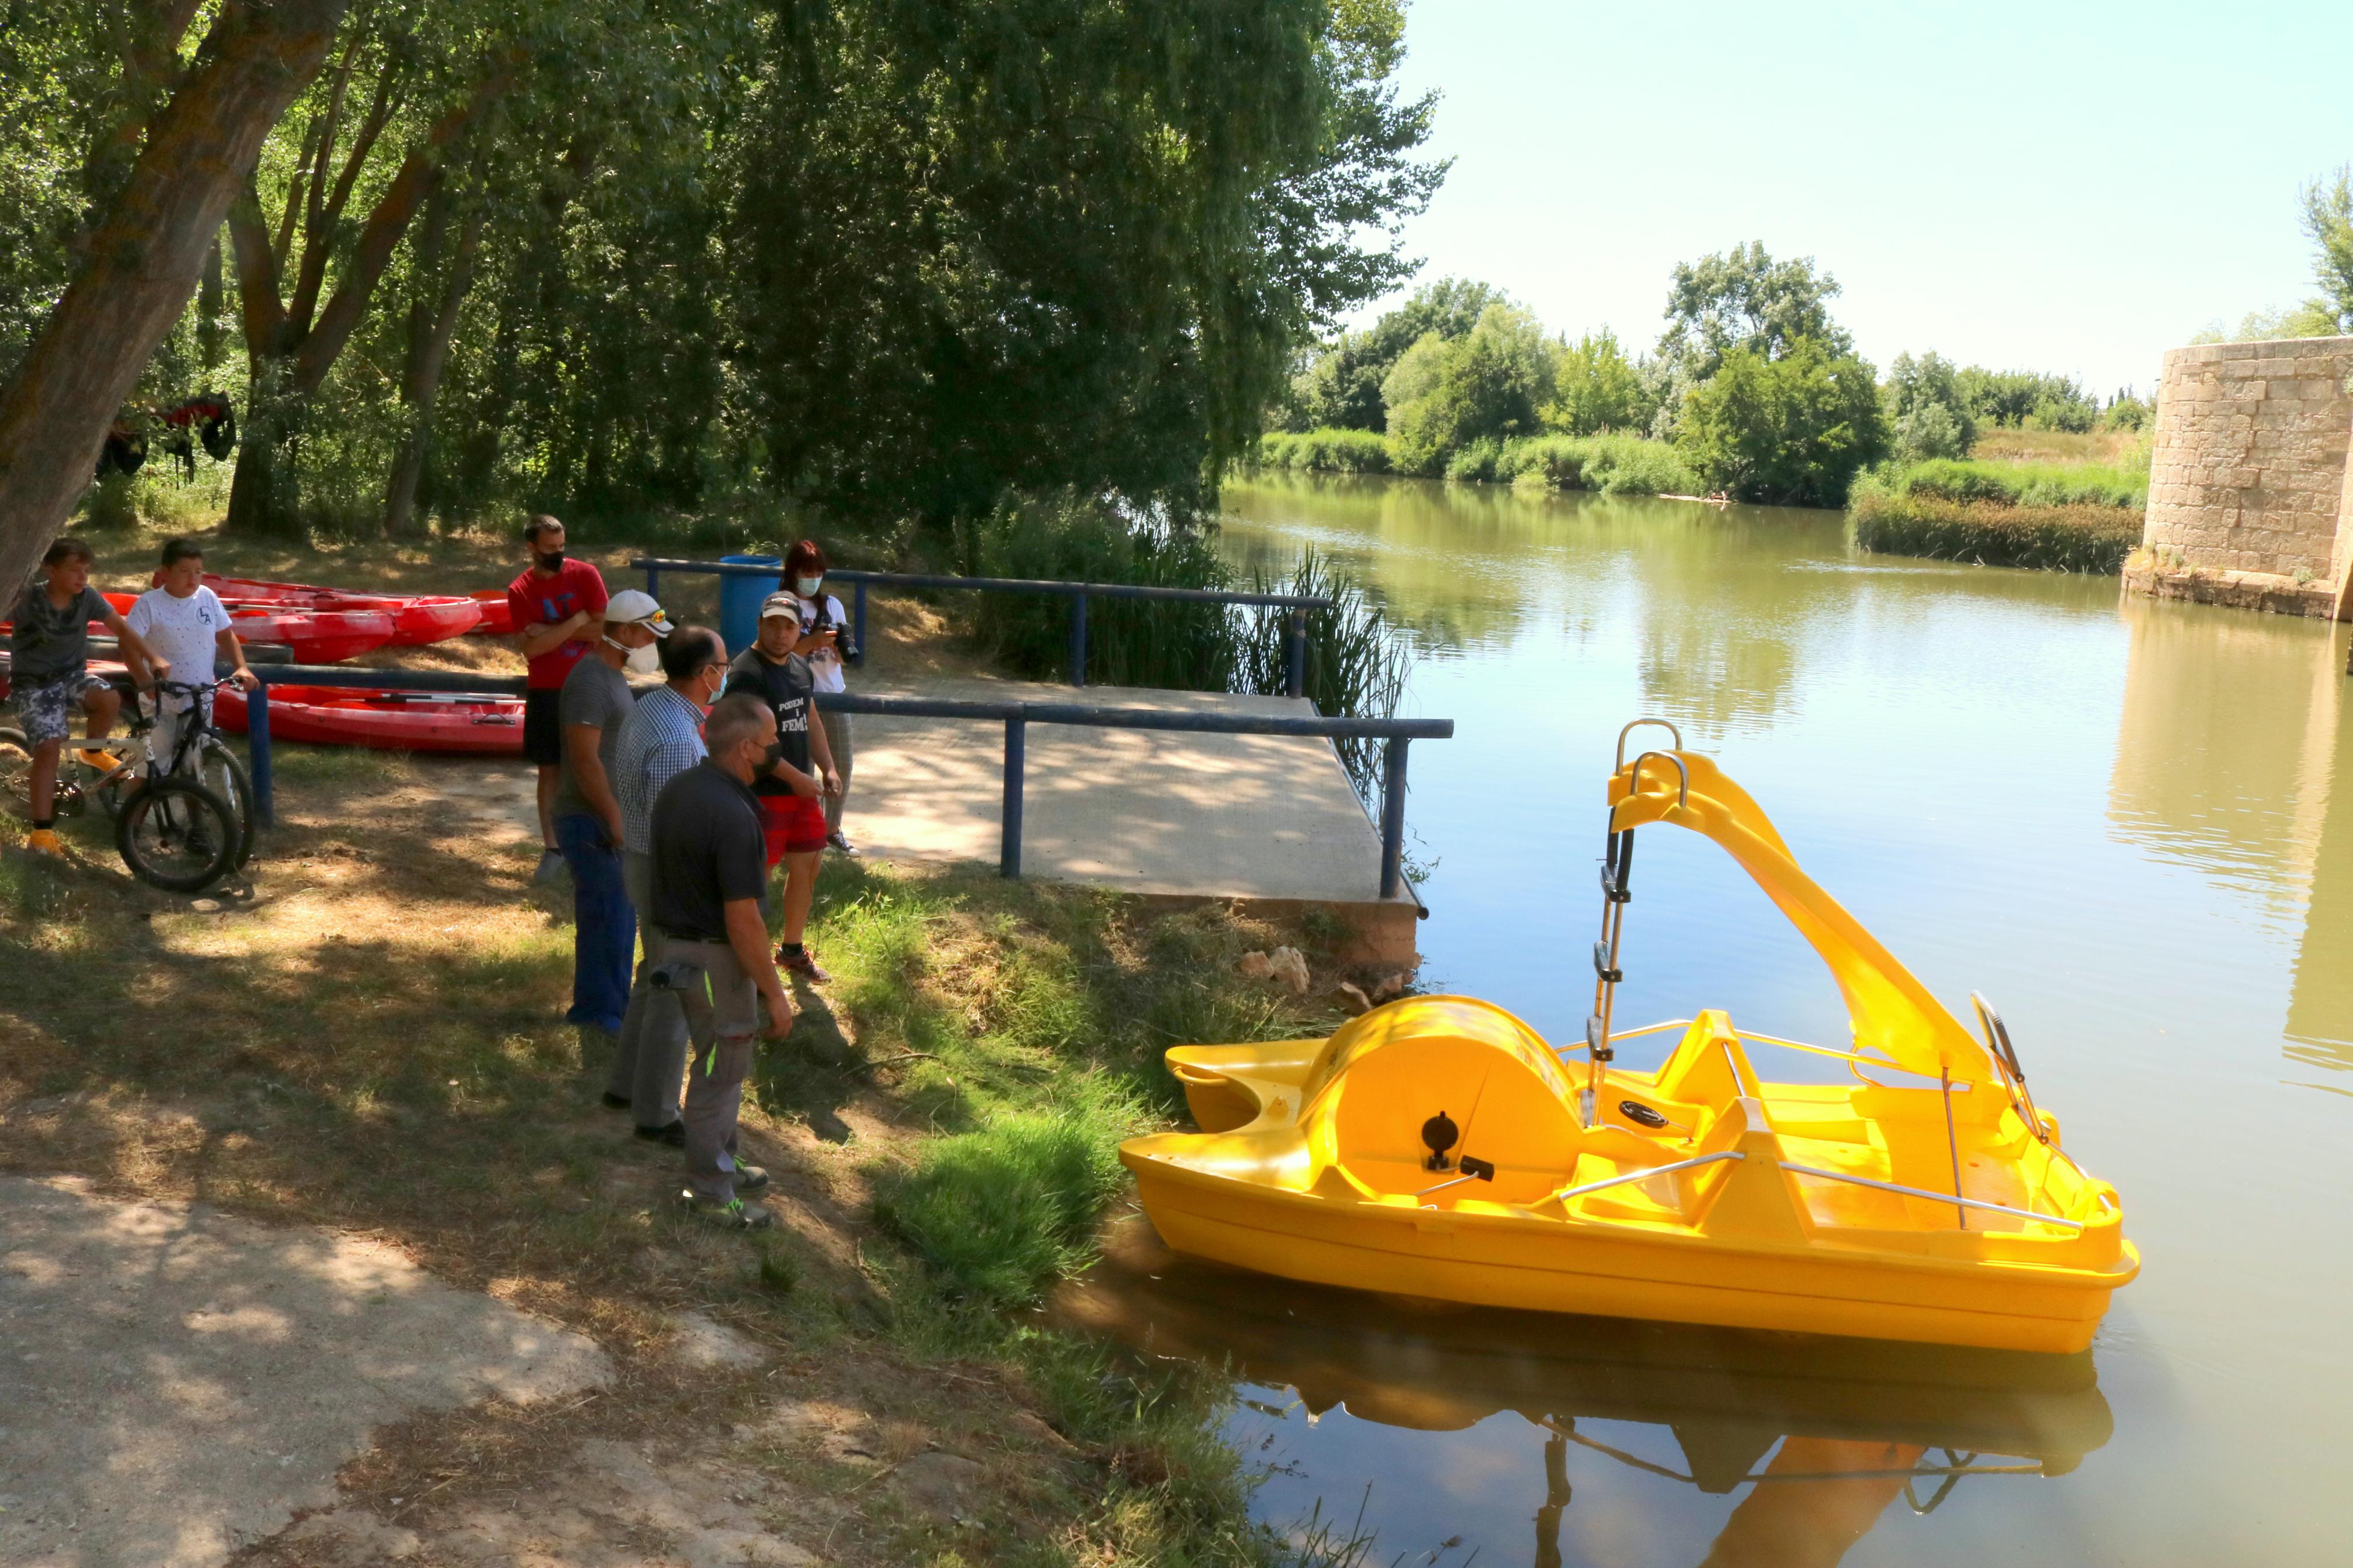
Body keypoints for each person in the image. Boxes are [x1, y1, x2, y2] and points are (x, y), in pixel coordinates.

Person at [649, 692, 794, 1231]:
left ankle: (721, 1163)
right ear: (744, 749)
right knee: (719, 1071)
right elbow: (744, 921)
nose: (776, 748)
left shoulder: (682, 787)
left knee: (718, 1065)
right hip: (714, 962)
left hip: (678, 949)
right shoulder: (734, 815)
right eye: (770, 740)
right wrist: (775, 994)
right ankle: (710, 1193)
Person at [603, 625, 729, 1142]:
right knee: (675, 988)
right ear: (705, 674)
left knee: (651, 975)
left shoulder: (653, 707)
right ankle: (655, 1114)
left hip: (642, 862)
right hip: (665, 873)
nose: (726, 673)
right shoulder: (678, 740)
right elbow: (672, 828)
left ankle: (625, 1086)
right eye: (723, 665)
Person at [551, 588, 672, 1051]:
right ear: (622, 632)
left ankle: (610, 1011)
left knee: (619, 918)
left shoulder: (612, 675)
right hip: (589, 821)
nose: (651, 642)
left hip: (605, 818)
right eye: (647, 632)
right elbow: (584, 761)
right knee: (605, 917)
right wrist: (614, 817)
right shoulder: (589, 680)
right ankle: (595, 1016)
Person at [6, 538, 169, 858]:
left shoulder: (88, 598)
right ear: (49, 570)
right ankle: (41, 833)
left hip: (71, 677)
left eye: (86, 571)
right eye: (74, 571)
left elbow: (123, 630)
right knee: (49, 748)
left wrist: (154, 657)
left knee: (108, 699)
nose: (82, 578)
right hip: (33, 684)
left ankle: (92, 751)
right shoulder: (28, 599)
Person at [723, 593, 839, 983]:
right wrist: (799, 779)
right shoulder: (745, 673)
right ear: (759, 624)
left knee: (808, 865)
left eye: (788, 626)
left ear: (799, 630)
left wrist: (828, 768)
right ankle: (745, 963)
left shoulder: (800, 667)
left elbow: (811, 718)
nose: (780, 633)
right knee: (757, 878)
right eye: (772, 624)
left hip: (801, 791)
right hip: (762, 794)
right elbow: (752, 744)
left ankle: (791, 950)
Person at [505, 515, 606, 883]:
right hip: (547, 688)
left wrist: (553, 631)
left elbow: (605, 630)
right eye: (550, 549)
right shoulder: (520, 590)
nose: (558, 555)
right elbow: (532, 651)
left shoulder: (585, 575)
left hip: (591, 684)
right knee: (549, 769)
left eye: (562, 547)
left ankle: (597, 840)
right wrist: (578, 621)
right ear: (531, 548)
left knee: (593, 764)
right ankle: (554, 849)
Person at [123, 538, 259, 777]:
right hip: (161, 697)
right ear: (165, 573)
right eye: (185, 572)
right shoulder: (149, 604)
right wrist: (143, 679)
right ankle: (134, 811)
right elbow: (127, 645)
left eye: (198, 572)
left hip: (200, 695)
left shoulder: (207, 597)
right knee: (153, 767)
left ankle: (194, 808)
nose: (193, 579)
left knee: (195, 763)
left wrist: (242, 667)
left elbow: (226, 636)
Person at [785, 539, 860, 854]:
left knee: (841, 764)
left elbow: (844, 659)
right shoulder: (781, 604)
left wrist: (837, 647)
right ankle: (807, 832)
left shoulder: (833, 605)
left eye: (818, 571)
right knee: (803, 768)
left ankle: (833, 829)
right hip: (796, 696)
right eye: (807, 571)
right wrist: (813, 641)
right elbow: (781, 651)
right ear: (793, 571)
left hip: (832, 693)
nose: (813, 577)